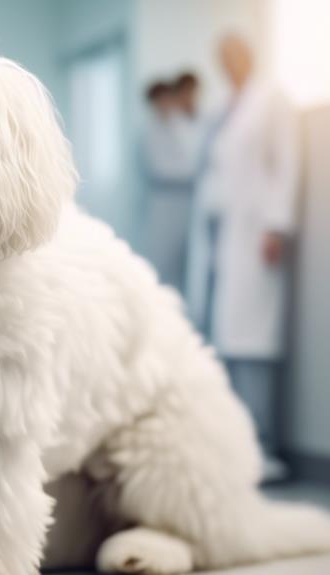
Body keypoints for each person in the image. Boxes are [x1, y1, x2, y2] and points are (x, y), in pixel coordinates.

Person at [186, 34, 299, 477]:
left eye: (235, 53)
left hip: (255, 236)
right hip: (220, 238)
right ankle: (234, 447)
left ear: (250, 54)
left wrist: (277, 224)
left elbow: (285, 163)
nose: (228, 62)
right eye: (222, 56)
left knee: (253, 343)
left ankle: (265, 447)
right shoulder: (221, 108)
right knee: (225, 342)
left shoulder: (272, 100)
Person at [141, 73, 203, 292]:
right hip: (163, 200)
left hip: (187, 199)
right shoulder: (149, 131)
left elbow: (194, 156)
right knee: (161, 259)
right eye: (159, 101)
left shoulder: (182, 124)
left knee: (185, 261)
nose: (164, 105)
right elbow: (162, 168)